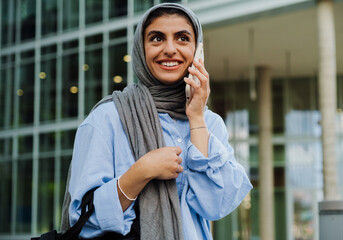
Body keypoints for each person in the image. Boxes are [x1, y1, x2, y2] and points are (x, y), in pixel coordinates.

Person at [67, 3, 252, 240]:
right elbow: (84, 218)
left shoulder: (209, 123)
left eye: (182, 38)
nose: (170, 49)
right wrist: (140, 172)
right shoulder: (108, 118)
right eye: (157, 38)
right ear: (141, 49)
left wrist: (196, 118)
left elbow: (215, 207)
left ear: (197, 51)